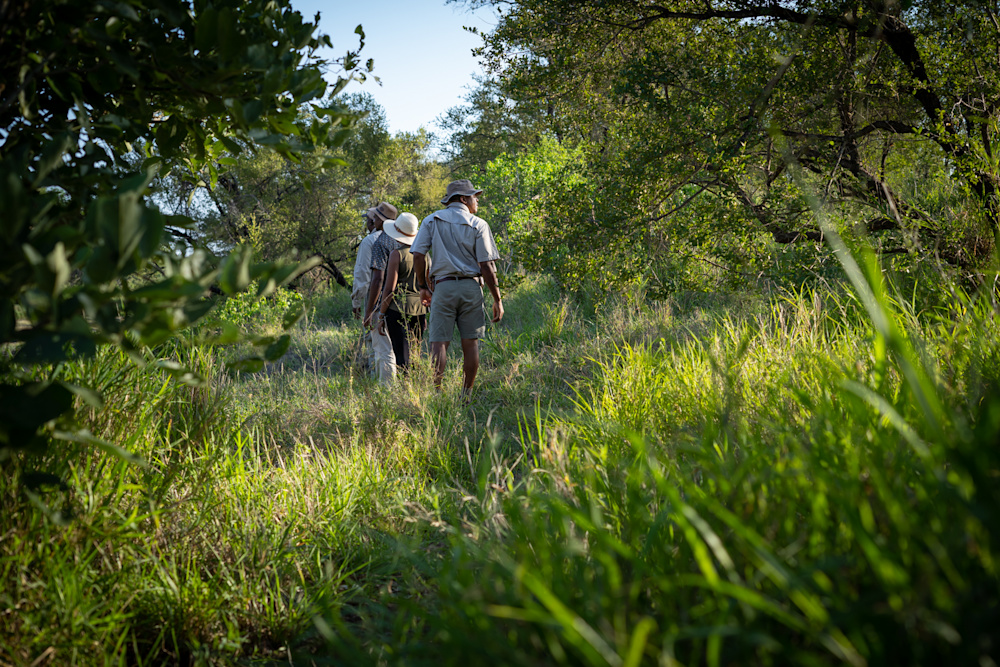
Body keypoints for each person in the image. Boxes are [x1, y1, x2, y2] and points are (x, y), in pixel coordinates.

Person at [410, 179, 503, 397]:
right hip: (471, 287)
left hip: (442, 288)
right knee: (470, 344)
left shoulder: (431, 220)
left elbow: (418, 254)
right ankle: (466, 393)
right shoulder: (479, 224)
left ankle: (437, 393)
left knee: (438, 343)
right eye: (474, 197)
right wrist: (497, 298)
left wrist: (423, 286)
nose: (477, 201)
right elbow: (487, 265)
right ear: (463, 199)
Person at [375, 212, 432, 379]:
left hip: (397, 310)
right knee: (415, 354)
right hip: (420, 309)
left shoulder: (396, 254)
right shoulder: (425, 255)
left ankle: (405, 391)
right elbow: (428, 285)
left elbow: (389, 289)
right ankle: (416, 388)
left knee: (402, 357)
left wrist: (381, 314)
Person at [362, 201, 400, 384]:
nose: (373, 220)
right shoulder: (402, 239)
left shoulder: (380, 243)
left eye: (376, 217)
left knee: (384, 350)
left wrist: (369, 311)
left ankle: (387, 391)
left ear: (383, 221)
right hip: (404, 302)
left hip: (383, 303)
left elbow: (377, 279)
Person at [351, 212, 378, 319]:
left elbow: (363, 273)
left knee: (373, 332)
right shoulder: (395, 237)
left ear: (372, 223)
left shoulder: (368, 241)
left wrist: (356, 302)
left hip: (374, 297)